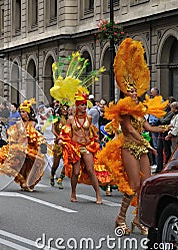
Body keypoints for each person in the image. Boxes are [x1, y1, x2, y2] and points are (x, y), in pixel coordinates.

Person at [98, 38, 169, 235]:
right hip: (129, 147)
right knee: (134, 184)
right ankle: (120, 218)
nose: (134, 93)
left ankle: (138, 219)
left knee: (146, 184)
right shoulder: (123, 111)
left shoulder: (139, 109)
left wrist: (162, 129)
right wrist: (146, 141)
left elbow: (145, 125)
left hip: (142, 148)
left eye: (135, 90)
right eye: (130, 91)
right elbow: (130, 130)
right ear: (125, 93)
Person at [49, 52, 108, 204]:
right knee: (75, 171)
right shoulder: (70, 119)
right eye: (81, 105)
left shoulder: (88, 118)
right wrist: (62, 141)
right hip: (75, 148)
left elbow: (93, 132)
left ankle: (97, 195)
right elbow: (64, 133)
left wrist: (96, 141)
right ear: (76, 106)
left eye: (84, 104)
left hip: (86, 147)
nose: (83, 107)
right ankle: (73, 192)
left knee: (91, 169)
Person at [0, 99, 46, 192]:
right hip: (19, 146)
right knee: (20, 165)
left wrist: (41, 143)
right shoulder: (19, 123)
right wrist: (12, 141)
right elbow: (15, 134)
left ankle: (28, 182)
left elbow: (35, 135)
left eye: (23, 112)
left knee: (30, 166)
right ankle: (23, 182)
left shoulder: (33, 123)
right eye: (20, 112)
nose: (21, 113)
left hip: (30, 147)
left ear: (27, 113)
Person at [50, 104, 69, 189]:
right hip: (58, 143)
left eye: (66, 109)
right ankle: (52, 174)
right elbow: (53, 129)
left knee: (67, 162)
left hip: (67, 143)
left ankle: (60, 179)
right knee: (56, 163)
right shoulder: (57, 118)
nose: (65, 111)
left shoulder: (70, 119)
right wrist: (58, 136)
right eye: (63, 109)